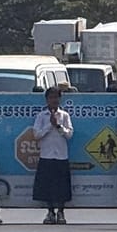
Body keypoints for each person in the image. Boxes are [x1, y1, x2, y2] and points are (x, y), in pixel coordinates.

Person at [34, 84, 74, 224]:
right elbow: (36, 134)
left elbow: (69, 134)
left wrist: (58, 125)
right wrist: (49, 125)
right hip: (46, 155)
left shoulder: (64, 115)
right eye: (51, 97)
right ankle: (50, 212)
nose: (54, 100)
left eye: (56, 97)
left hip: (61, 155)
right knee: (47, 187)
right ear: (47, 99)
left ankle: (61, 212)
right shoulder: (41, 116)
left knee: (61, 187)